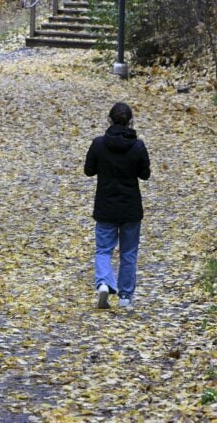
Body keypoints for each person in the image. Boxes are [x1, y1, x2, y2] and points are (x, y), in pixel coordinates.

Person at [84, 102, 151, 309]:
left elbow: (89, 170)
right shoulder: (138, 146)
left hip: (105, 207)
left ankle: (104, 282)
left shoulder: (98, 144)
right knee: (128, 253)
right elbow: (145, 174)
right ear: (131, 122)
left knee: (103, 250)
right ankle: (125, 296)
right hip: (130, 208)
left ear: (109, 120)